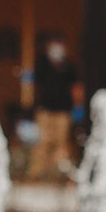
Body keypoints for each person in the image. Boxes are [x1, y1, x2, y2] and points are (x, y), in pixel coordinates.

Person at [31, 34, 82, 180]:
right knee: (43, 143)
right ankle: (39, 174)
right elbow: (35, 84)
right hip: (45, 110)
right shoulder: (42, 64)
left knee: (62, 143)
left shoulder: (69, 66)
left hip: (63, 110)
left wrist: (77, 107)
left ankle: (59, 174)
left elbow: (76, 88)